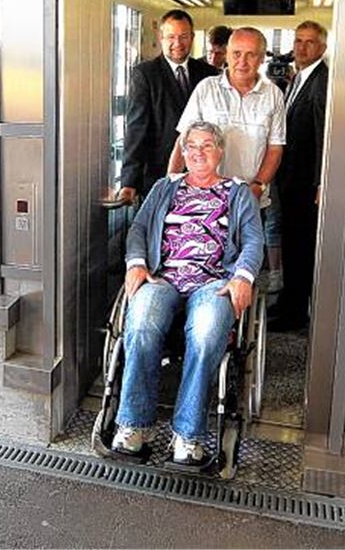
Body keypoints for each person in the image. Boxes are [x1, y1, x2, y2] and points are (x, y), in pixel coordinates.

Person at [113, 122, 264, 463]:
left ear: (220, 151)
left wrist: (243, 276)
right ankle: (134, 425)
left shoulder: (238, 193)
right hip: (162, 278)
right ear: (182, 152)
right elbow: (138, 228)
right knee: (140, 324)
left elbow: (254, 240)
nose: (197, 152)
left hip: (214, 282)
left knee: (209, 332)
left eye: (207, 145)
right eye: (190, 145)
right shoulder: (164, 187)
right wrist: (136, 262)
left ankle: (188, 435)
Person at [168, 26, 286, 211]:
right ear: (227, 55)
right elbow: (183, 141)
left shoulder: (274, 95)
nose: (242, 62)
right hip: (204, 201)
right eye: (236, 53)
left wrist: (258, 187)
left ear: (262, 59)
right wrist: (169, 187)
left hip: (251, 201)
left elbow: (275, 149)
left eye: (251, 55)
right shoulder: (206, 88)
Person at [118, 10, 216, 202]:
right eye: (171, 37)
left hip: (202, 177)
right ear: (161, 38)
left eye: (184, 36)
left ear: (192, 37)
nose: (177, 43)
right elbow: (136, 129)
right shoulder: (145, 74)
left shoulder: (209, 74)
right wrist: (129, 181)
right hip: (158, 176)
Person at [273, 20, 329, 331]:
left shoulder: (322, 81)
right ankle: (287, 301)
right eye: (298, 41)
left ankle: (295, 312)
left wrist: (322, 181)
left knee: (301, 246)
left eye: (309, 42)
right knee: (291, 242)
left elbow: (324, 136)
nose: (302, 47)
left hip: (306, 182)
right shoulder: (299, 78)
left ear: (322, 47)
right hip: (291, 179)